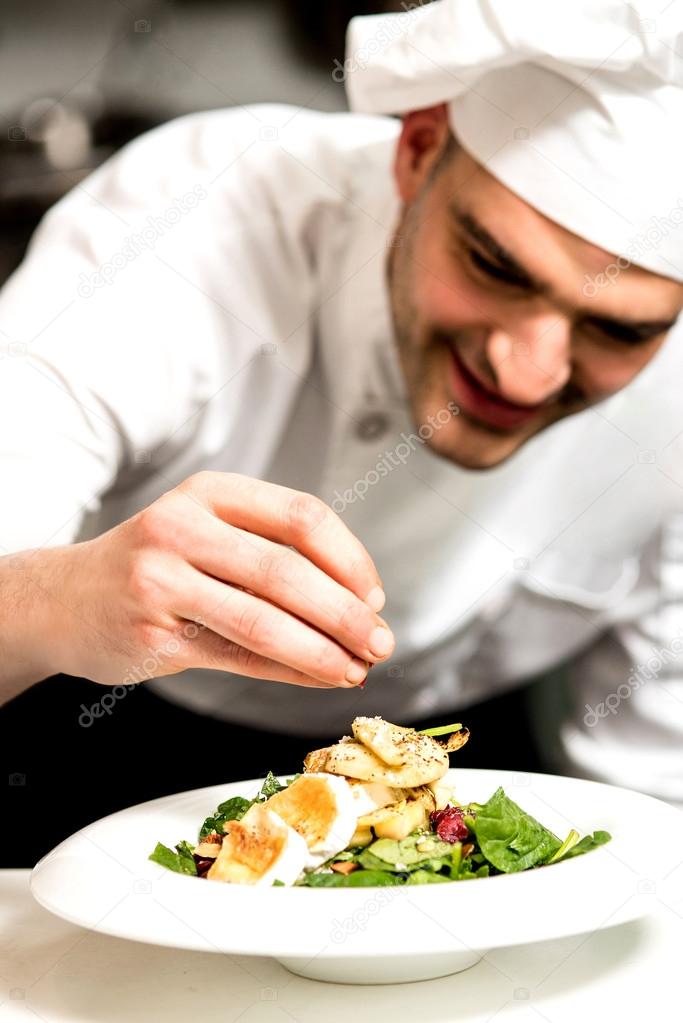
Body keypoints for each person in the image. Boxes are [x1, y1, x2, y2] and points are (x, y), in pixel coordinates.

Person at [2, 0, 683, 847]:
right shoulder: (195, 215)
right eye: (492, 265)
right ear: (419, 148)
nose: (525, 370)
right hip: (101, 736)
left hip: (454, 777)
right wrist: (57, 598)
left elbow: (655, 797)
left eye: (619, 329)